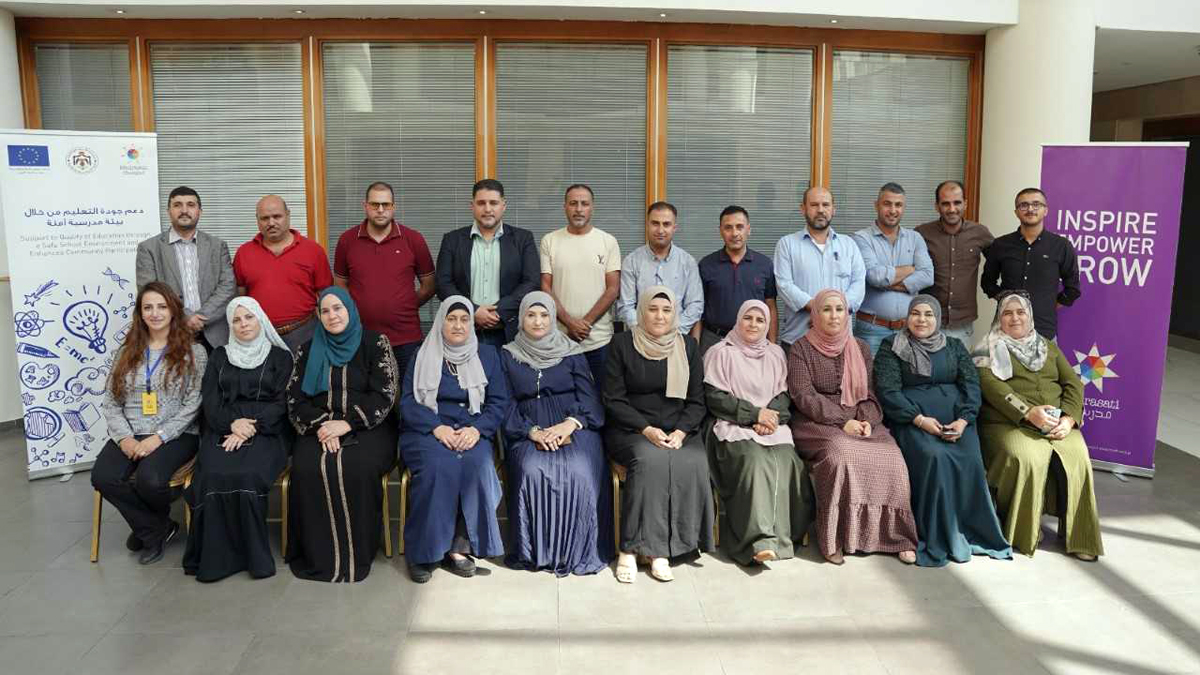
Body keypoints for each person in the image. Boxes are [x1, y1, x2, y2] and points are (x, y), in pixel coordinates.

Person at [873, 295, 1011, 567]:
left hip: (955, 421)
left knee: (970, 460)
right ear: (907, 317)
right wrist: (919, 420)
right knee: (934, 458)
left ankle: (970, 532)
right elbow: (888, 391)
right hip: (912, 420)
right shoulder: (892, 346)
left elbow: (971, 384)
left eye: (928, 314)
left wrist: (964, 420)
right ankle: (936, 534)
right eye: (916, 313)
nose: (921, 320)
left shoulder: (954, 346)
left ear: (937, 319)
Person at [786, 289, 918, 565]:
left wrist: (866, 421)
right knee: (842, 454)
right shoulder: (800, 348)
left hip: (859, 417)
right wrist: (842, 421)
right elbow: (803, 396)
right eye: (827, 309)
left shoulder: (861, 347)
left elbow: (869, 393)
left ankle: (896, 536)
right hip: (815, 421)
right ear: (816, 314)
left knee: (893, 457)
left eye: (840, 309)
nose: (834, 316)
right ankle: (836, 537)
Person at [974, 292, 1103, 560]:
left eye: (1020, 312)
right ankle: (1025, 532)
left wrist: (1069, 419)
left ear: (1030, 316)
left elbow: (1073, 383)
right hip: (1007, 423)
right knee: (1026, 456)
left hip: (1056, 421)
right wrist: (1027, 412)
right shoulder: (986, 349)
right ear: (999, 318)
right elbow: (993, 389)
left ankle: (1081, 537)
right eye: (1007, 313)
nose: (1015, 318)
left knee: (1077, 455)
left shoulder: (1047, 347)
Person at [285, 287, 399, 582]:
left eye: (338, 308)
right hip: (319, 427)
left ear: (350, 309)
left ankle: (357, 554)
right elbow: (295, 400)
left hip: (368, 426)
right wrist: (325, 425)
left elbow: (385, 394)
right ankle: (317, 556)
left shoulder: (375, 343)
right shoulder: (307, 350)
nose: (332, 315)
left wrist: (347, 423)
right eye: (325, 311)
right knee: (307, 467)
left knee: (357, 467)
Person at [604, 285, 714, 583]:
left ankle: (665, 549)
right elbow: (613, 399)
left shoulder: (687, 347)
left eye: (666, 310)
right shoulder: (621, 344)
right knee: (649, 460)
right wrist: (646, 429)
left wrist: (681, 432)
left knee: (693, 461)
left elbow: (697, 401)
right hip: (631, 428)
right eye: (652, 309)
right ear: (641, 311)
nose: (659, 316)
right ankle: (629, 548)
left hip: (677, 428)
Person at [93, 281, 207, 565]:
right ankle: (156, 529)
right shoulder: (125, 353)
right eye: (148, 307)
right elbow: (111, 402)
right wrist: (125, 438)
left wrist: (159, 437)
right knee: (103, 476)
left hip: (177, 434)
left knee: (151, 480)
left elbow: (193, 404)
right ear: (140, 313)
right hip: (131, 432)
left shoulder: (194, 352)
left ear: (173, 311)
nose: (155, 313)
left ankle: (147, 528)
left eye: (162, 306)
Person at [501, 291, 613, 576]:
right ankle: (535, 552)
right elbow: (505, 404)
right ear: (521, 318)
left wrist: (571, 423)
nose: (538, 321)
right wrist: (532, 432)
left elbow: (589, 399)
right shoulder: (508, 355)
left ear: (553, 318)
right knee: (531, 469)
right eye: (531, 315)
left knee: (580, 469)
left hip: (574, 423)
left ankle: (578, 550)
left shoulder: (571, 351)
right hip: (527, 427)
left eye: (544, 315)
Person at [399, 296, 510, 583]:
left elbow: (499, 402)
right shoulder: (422, 354)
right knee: (439, 468)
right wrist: (437, 428)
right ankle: (423, 552)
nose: (458, 325)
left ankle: (459, 547)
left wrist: (477, 430)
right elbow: (408, 403)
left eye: (464, 319)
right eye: (451, 319)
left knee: (476, 466)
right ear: (441, 323)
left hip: (472, 430)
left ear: (472, 324)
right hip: (428, 431)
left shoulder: (488, 355)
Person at [183, 297, 293, 582]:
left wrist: (250, 427)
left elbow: (282, 403)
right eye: (236, 320)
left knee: (247, 474)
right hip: (223, 428)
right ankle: (217, 559)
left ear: (260, 319)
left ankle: (253, 557)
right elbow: (210, 402)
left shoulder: (280, 357)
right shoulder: (220, 356)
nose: (243, 324)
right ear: (230, 325)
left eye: (249, 317)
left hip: (267, 431)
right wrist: (232, 424)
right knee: (212, 475)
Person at [703, 299, 812, 565]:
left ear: (768, 325)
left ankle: (784, 538)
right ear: (738, 320)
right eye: (748, 318)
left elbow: (784, 395)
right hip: (733, 426)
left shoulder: (775, 354)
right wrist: (754, 415)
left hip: (771, 426)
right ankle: (757, 543)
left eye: (760, 320)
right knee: (754, 462)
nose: (753, 324)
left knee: (789, 463)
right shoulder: (720, 352)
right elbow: (715, 398)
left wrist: (769, 417)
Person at [334, 181, 436, 379]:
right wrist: (354, 310)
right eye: (374, 204)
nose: (380, 210)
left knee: (409, 392)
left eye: (386, 204)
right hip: (360, 336)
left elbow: (429, 285)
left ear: (393, 207)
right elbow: (340, 284)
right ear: (365, 206)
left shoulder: (413, 239)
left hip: (406, 338)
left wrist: (405, 304)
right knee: (365, 392)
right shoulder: (347, 240)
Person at [436, 179, 540, 346]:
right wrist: (473, 310)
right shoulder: (452, 240)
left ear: (503, 206)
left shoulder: (523, 239)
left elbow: (532, 282)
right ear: (472, 206)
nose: (487, 209)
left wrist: (498, 311)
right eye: (481, 203)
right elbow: (443, 284)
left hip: (509, 330)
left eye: (493, 203)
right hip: (463, 329)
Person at [135, 186, 236, 353]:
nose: (184, 210)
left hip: (214, 334)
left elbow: (228, 286)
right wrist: (185, 316)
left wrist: (201, 317)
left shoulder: (217, 246)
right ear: (168, 212)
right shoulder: (149, 248)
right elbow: (149, 291)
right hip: (170, 332)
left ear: (199, 211)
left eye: (190, 205)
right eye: (177, 205)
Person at [540, 184, 622, 386]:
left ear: (592, 207)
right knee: (563, 395)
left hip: (599, 339)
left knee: (602, 397)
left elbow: (613, 289)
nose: (578, 209)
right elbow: (545, 287)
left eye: (584, 204)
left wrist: (584, 324)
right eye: (573, 203)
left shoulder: (608, 241)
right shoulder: (550, 240)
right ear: (565, 207)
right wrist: (570, 323)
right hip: (560, 338)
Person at [234, 195, 334, 352]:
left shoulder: (313, 251)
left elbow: (326, 296)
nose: (271, 223)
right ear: (257, 220)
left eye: (277, 216)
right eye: (265, 218)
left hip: (305, 332)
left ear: (288, 215)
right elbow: (240, 299)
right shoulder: (244, 253)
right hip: (260, 336)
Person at [981, 188, 1081, 340]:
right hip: (1005, 332)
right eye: (1024, 205)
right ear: (1016, 212)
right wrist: (1006, 300)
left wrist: (1047, 305)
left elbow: (1073, 289)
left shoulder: (1061, 246)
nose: (1030, 209)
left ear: (1045, 210)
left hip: (1044, 331)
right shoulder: (1000, 244)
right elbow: (987, 283)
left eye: (1036, 204)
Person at [774, 186, 866, 352]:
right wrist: (818, 310)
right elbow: (784, 285)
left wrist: (829, 312)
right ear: (803, 209)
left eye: (826, 205)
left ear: (833, 209)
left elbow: (858, 285)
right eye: (814, 205)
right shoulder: (787, 244)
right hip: (798, 339)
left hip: (840, 343)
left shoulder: (849, 245)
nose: (821, 210)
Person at [852, 182, 935, 355]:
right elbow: (874, 276)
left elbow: (928, 276)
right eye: (887, 204)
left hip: (909, 329)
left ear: (903, 208)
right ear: (876, 205)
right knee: (870, 373)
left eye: (898, 205)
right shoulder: (861, 238)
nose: (892, 210)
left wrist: (886, 283)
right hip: (871, 330)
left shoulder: (915, 238)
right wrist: (912, 269)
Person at [916, 181, 994, 345]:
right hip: (926, 321)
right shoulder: (921, 234)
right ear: (937, 206)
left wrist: (993, 288)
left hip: (962, 325)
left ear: (965, 203)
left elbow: (1000, 260)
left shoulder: (980, 233)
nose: (952, 209)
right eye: (946, 204)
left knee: (958, 363)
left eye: (957, 203)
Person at [697, 206, 778, 355]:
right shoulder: (706, 265)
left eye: (739, 227)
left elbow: (770, 306)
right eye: (728, 228)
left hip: (753, 341)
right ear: (720, 231)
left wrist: (772, 345)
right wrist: (695, 348)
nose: (734, 233)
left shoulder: (764, 264)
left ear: (749, 229)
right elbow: (698, 310)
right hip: (714, 339)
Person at [616, 202, 704, 337]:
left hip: (677, 337)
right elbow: (626, 306)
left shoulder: (687, 262)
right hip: (640, 338)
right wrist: (645, 333)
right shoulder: (631, 261)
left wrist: (673, 332)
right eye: (655, 223)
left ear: (674, 228)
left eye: (666, 224)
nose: (660, 230)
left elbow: (695, 304)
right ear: (647, 225)